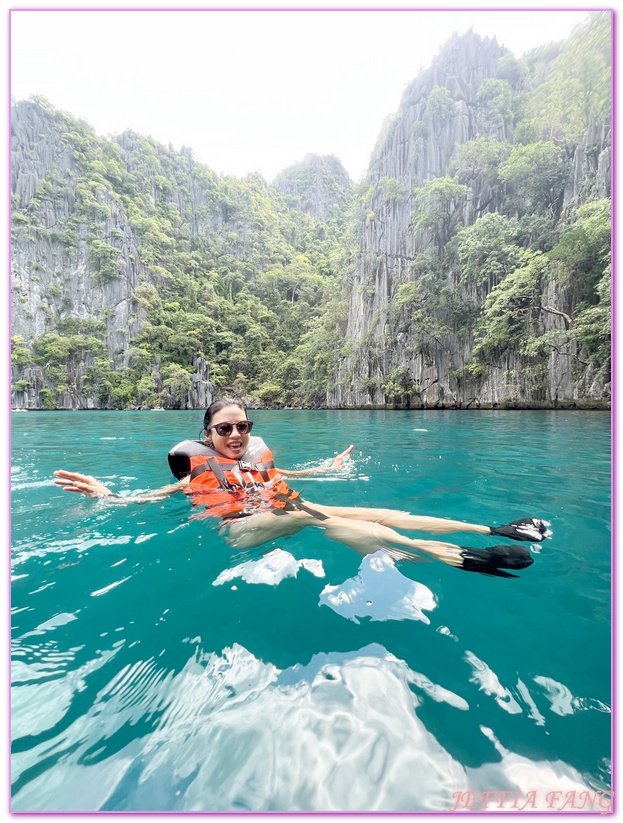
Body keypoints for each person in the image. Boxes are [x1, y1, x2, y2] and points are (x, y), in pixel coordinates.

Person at [54, 399, 549, 577]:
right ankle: (459, 557)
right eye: (224, 429)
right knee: (312, 516)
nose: (235, 435)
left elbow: (295, 478)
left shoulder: (257, 464)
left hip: (279, 506)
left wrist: (330, 467)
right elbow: (141, 500)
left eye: (242, 427)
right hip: (238, 530)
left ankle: (493, 527)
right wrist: (105, 494)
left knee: (371, 510)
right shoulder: (195, 472)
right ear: (206, 436)